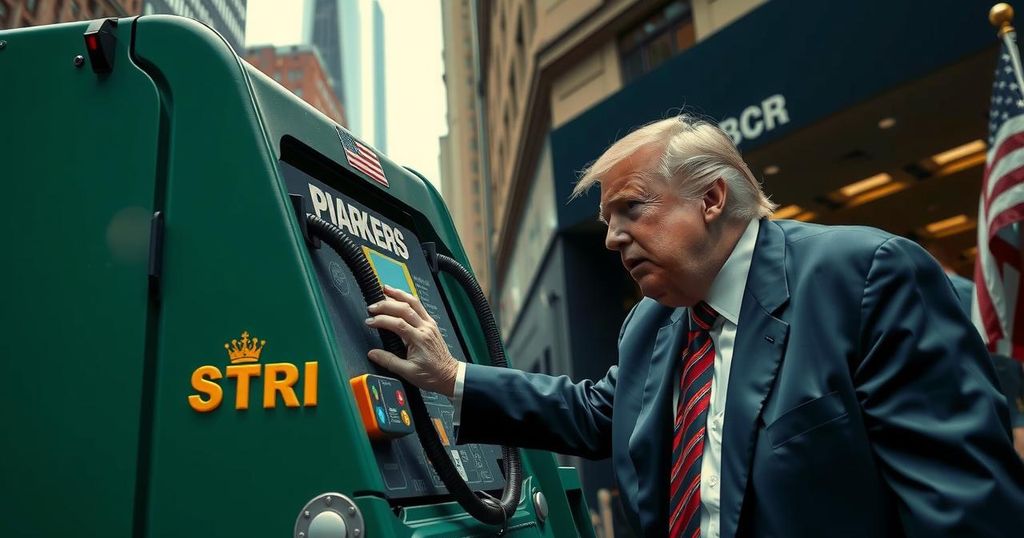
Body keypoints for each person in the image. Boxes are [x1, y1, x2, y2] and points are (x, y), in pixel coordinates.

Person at [365, 115, 1024, 537]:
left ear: (711, 198)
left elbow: (964, 510)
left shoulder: (865, 276)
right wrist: (450, 376)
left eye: (632, 209)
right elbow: (596, 412)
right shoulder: (651, 324)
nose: (613, 237)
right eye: (607, 221)